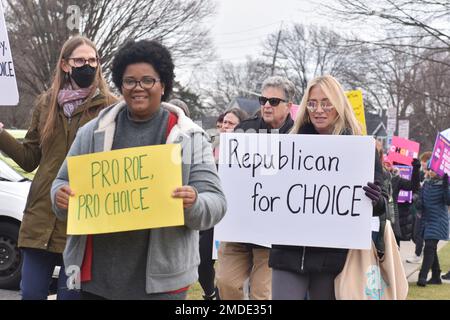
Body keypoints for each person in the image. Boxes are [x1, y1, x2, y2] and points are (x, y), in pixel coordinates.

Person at [51, 39, 227, 300]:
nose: (138, 88)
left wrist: (194, 203)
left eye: (148, 81)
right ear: (121, 85)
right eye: (130, 81)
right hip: (97, 282)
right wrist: (60, 196)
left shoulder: (189, 137)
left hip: (162, 286)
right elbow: (61, 182)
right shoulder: (92, 131)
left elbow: (217, 202)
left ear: (163, 84)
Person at [0, 36, 116, 300]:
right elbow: (29, 158)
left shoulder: (111, 107)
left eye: (92, 60)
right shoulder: (46, 103)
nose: (87, 66)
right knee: (31, 294)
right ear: (65, 65)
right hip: (40, 219)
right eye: (80, 60)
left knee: (70, 297)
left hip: (82, 225)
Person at [268, 75, 386, 300]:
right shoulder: (288, 144)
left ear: (338, 104)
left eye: (326, 102)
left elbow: (381, 205)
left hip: (332, 257)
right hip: (288, 251)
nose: (318, 109)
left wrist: (376, 198)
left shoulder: (359, 148)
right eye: (312, 103)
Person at [216, 76, 295, 300]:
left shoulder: (299, 136)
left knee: (263, 293)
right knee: (226, 283)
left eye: (274, 101)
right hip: (239, 227)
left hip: (274, 235)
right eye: (263, 100)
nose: (267, 105)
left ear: (289, 105)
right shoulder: (244, 130)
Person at [199, 107, 248, 300]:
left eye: (230, 123)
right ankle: (210, 294)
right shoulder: (213, 148)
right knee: (203, 261)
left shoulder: (248, 152)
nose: (225, 127)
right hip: (215, 215)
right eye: (223, 123)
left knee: (229, 269)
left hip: (235, 218)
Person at [416, 166, 450, 287]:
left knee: (429, 247)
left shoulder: (445, 183)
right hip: (427, 220)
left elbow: (448, 201)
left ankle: (422, 277)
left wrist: (446, 185)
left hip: (439, 221)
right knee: (431, 248)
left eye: (433, 169)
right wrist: (418, 202)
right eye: (429, 169)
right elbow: (420, 200)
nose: (430, 171)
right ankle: (436, 276)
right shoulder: (426, 183)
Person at [407, 151, 433, 264]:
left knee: (419, 232)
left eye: (424, 163)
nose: (423, 166)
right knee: (416, 233)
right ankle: (419, 252)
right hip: (419, 206)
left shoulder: (432, 176)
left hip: (426, 208)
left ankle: (418, 254)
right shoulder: (423, 174)